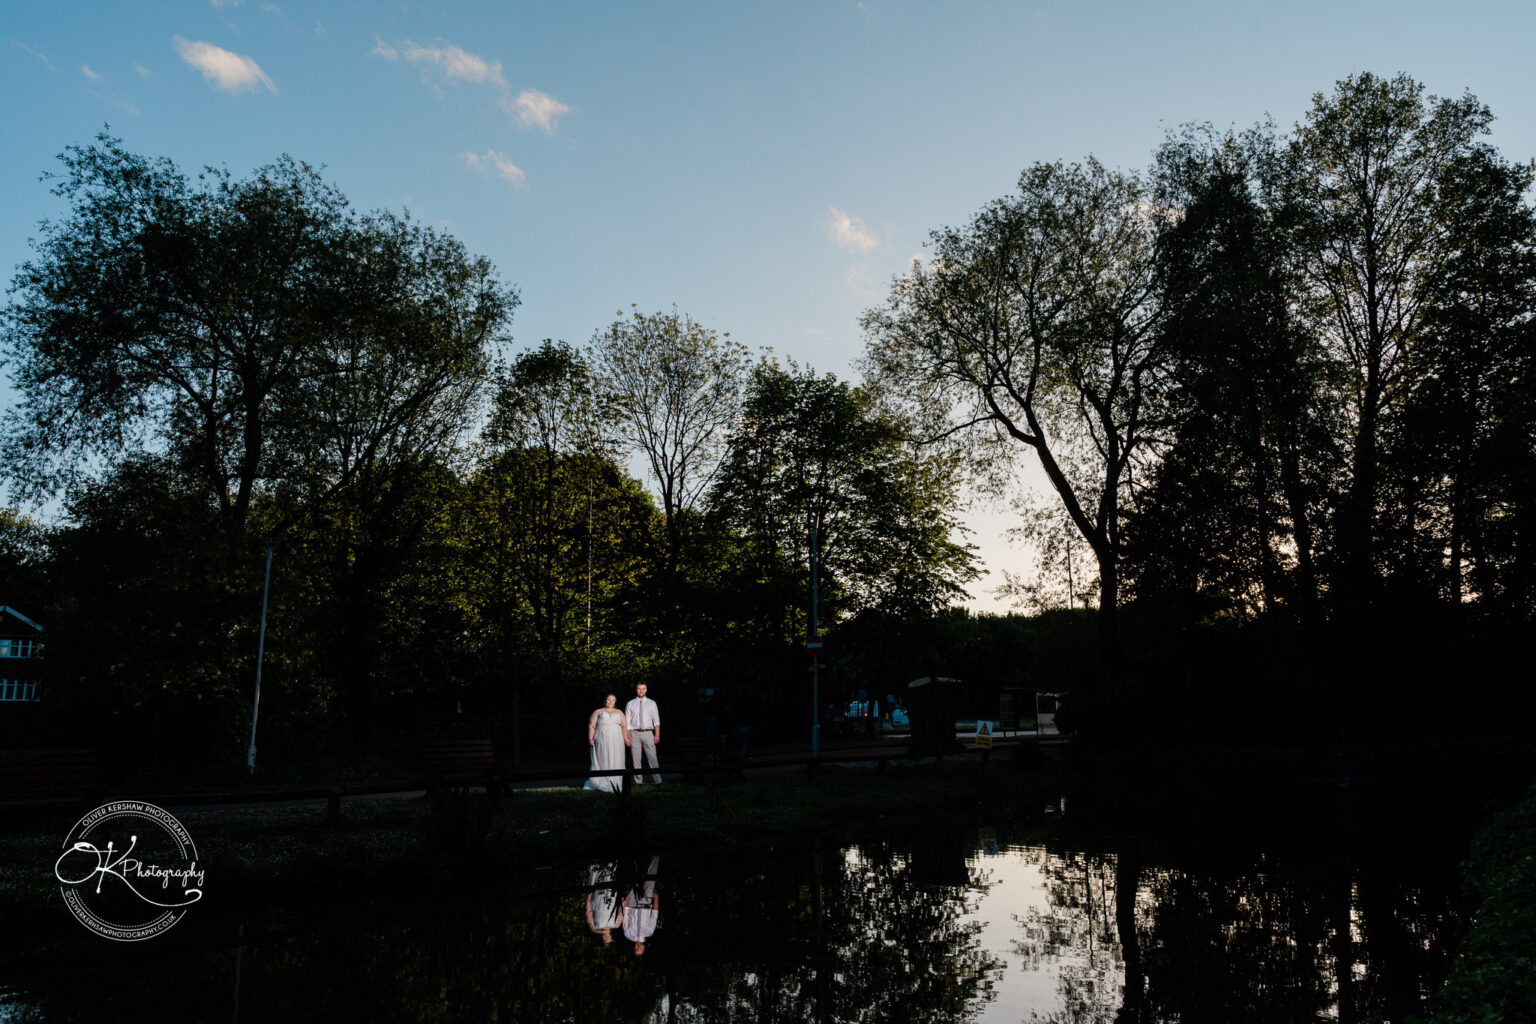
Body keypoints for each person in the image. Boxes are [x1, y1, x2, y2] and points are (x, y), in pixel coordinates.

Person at [584, 693, 631, 792]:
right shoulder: (598, 711)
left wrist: (626, 738)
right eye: (608, 700)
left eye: (613, 700)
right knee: (603, 757)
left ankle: (616, 781)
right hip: (601, 738)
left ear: (615, 703)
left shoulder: (619, 712)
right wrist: (590, 738)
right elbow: (591, 726)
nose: (610, 702)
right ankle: (603, 780)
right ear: (605, 700)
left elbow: (624, 726)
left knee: (616, 757)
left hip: (616, 739)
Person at [622, 854, 661, 956]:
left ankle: (634, 858)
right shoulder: (649, 932)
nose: (638, 946)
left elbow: (626, 917)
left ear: (634, 948)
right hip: (646, 903)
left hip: (632, 904)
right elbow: (654, 916)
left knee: (633, 880)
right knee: (650, 878)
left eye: (636, 949)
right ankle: (655, 856)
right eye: (641, 949)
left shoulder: (628, 934)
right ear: (643, 947)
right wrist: (656, 899)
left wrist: (625, 902)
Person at [625, 682, 662, 784]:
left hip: (648, 733)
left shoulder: (652, 703)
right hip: (634, 733)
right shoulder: (630, 704)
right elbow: (627, 722)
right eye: (639, 688)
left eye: (643, 689)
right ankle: (638, 782)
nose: (641, 690)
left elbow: (656, 720)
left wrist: (657, 735)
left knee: (653, 757)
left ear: (646, 690)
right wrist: (628, 736)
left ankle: (658, 781)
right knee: (636, 759)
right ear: (636, 690)